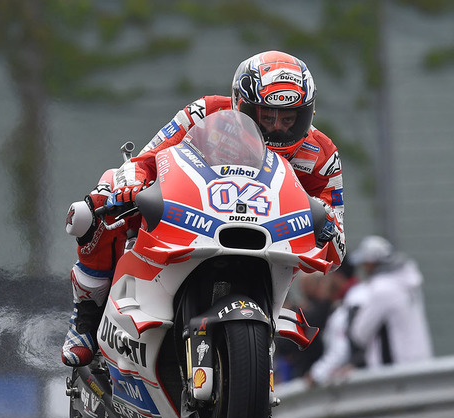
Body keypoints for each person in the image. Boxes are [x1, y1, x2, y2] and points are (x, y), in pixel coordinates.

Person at [61, 50, 346, 367]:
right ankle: (86, 313)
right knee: (101, 198)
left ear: (306, 115)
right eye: (267, 117)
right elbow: (145, 160)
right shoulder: (206, 112)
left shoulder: (322, 155)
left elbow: (336, 251)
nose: (277, 128)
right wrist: (131, 186)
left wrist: (325, 227)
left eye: (289, 119)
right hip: (191, 221)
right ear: (242, 105)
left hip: (267, 246)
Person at [307, 236, 434, 384]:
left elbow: (359, 333)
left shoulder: (381, 289)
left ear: (372, 263)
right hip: (421, 362)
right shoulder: (407, 282)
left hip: (396, 369)